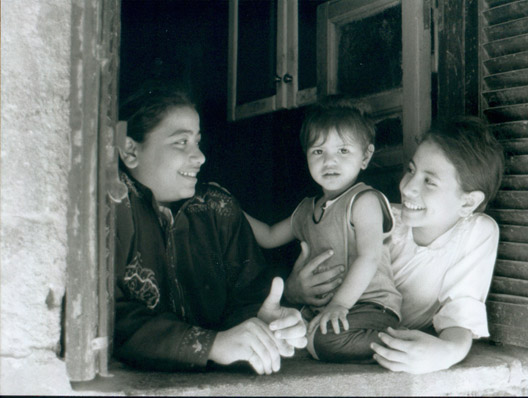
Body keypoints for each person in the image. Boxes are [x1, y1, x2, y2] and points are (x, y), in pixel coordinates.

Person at [114, 86, 309, 374]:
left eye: (197, 141)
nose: (200, 157)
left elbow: (247, 298)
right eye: (181, 142)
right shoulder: (111, 211)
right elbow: (108, 319)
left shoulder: (218, 209)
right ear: (131, 150)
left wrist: (266, 324)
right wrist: (212, 345)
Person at [244, 100, 403, 363]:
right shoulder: (306, 210)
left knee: (325, 341)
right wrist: (232, 208)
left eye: (343, 150)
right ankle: (317, 339)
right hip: (324, 311)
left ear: (365, 156)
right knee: (274, 333)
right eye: (318, 151)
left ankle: (401, 339)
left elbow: (369, 257)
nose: (330, 161)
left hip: (370, 307)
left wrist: (339, 304)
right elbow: (269, 236)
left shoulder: (364, 200)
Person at [369, 116, 505, 373]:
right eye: (411, 170)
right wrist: (297, 289)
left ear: (467, 203)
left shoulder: (475, 233)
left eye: (429, 181)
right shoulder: (380, 219)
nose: (407, 187)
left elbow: (461, 309)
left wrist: (448, 352)